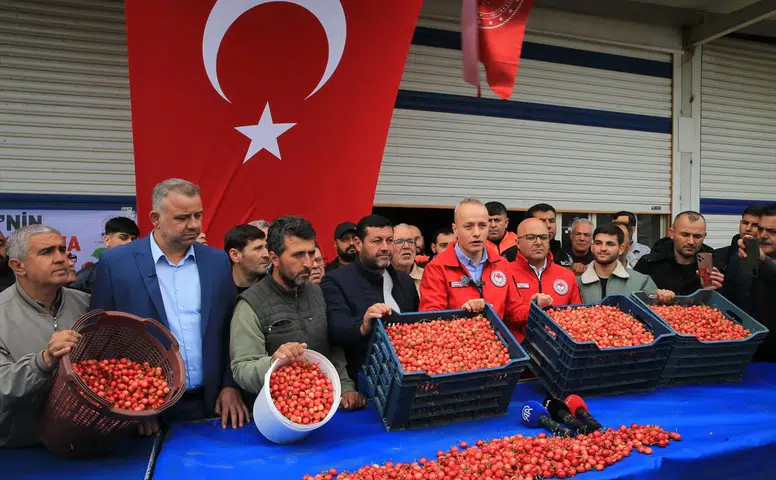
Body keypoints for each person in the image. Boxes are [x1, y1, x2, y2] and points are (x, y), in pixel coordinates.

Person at [90, 178, 249, 428]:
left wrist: (230, 385)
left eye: (198, 215)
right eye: (182, 218)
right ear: (155, 218)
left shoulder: (217, 262)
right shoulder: (116, 264)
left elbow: (232, 329)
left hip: (212, 405)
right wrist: (133, 405)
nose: (194, 225)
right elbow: (103, 337)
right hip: (148, 410)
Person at [230, 216, 365, 409]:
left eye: (311, 254)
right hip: (277, 413)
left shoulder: (317, 292)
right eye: (298, 255)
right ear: (274, 258)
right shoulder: (250, 304)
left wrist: (344, 385)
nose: (308, 263)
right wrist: (273, 362)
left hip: (321, 407)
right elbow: (242, 369)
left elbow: (332, 348)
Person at [0, 225, 90, 446]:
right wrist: (44, 361)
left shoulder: (87, 304)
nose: (61, 258)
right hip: (22, 449)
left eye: (62, 249)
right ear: (18, 266)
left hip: (85, 439)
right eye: (47, 252)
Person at [322, 215, 419, 386]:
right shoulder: (335, 281)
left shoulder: (405, 281)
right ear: (359, 244)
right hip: (362, 381)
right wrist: (363, 326)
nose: (385, 247)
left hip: (407, 376)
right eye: (377, 241)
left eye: (390, 240)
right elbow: (335, 329)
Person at [419, 199, 528, 340]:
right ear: (455, 230)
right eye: (468, 226)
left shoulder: (502, 264)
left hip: (498, 350)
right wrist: (462, 314)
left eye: (482, 225)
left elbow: (513, 311)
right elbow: (430, 320)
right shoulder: (437, 268)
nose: (477, 233)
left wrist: (534, 308)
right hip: (458, 350)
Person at [722, 204, 776, 362]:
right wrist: (713, 289)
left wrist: (763, 262)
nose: (763, 235)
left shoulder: (761, 260)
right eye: (761, 229)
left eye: (772, 232)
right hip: (746, 354)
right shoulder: (739, 260)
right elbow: (730, 306)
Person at [577, 224, 675, 304]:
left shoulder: (641, 281)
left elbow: (654, 315)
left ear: (621, 249)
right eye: (598, 243)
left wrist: (663, 299)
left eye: (610, 244)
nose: (603, 248)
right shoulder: (575, 281)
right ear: (592, 247)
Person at [634, 211, 724, 296]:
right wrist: (653, 296)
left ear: (704, 236)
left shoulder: (715, 265)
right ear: (672, 233)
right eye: (685, 235)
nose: (691, 242)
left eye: (697, 236)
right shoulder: (649, 264)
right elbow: (633, 297)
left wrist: (713, 292)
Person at [511, 218, 581, 325]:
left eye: (544, 237)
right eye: (531, 237)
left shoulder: (567, 275)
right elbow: (505, 315)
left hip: (558, 340)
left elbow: (577, 316)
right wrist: (532, 308)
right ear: (518, 243)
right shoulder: (506, 273)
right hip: (517, 341)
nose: (538, 242)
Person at [70, 216, 140, 294]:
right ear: (107, 241)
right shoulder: (83, 280)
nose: (130, 242)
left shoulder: (146, 274)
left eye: (133, 239)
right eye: (123, 238)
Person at [714, 205, 762, 274]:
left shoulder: (768, 260)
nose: (748, 228)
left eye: (755, 225)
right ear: (740, 223)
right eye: (745, 223)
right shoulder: (717, 255)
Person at [224, 224, 270, 295]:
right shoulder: (218, 291)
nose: (267, 254)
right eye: (258, 249)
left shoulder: (275, 288)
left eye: (266, 247)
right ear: (235, 255)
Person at [525, 203, 573, 268]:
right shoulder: (516, 254)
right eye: (542, 221)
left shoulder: (564, 255)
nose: (548, 225)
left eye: (551, 221)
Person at [392, 223, 424, 294]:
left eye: (410, 241)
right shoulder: (380, 277)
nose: (406, 246)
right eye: (399, 242)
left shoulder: (429, 276)